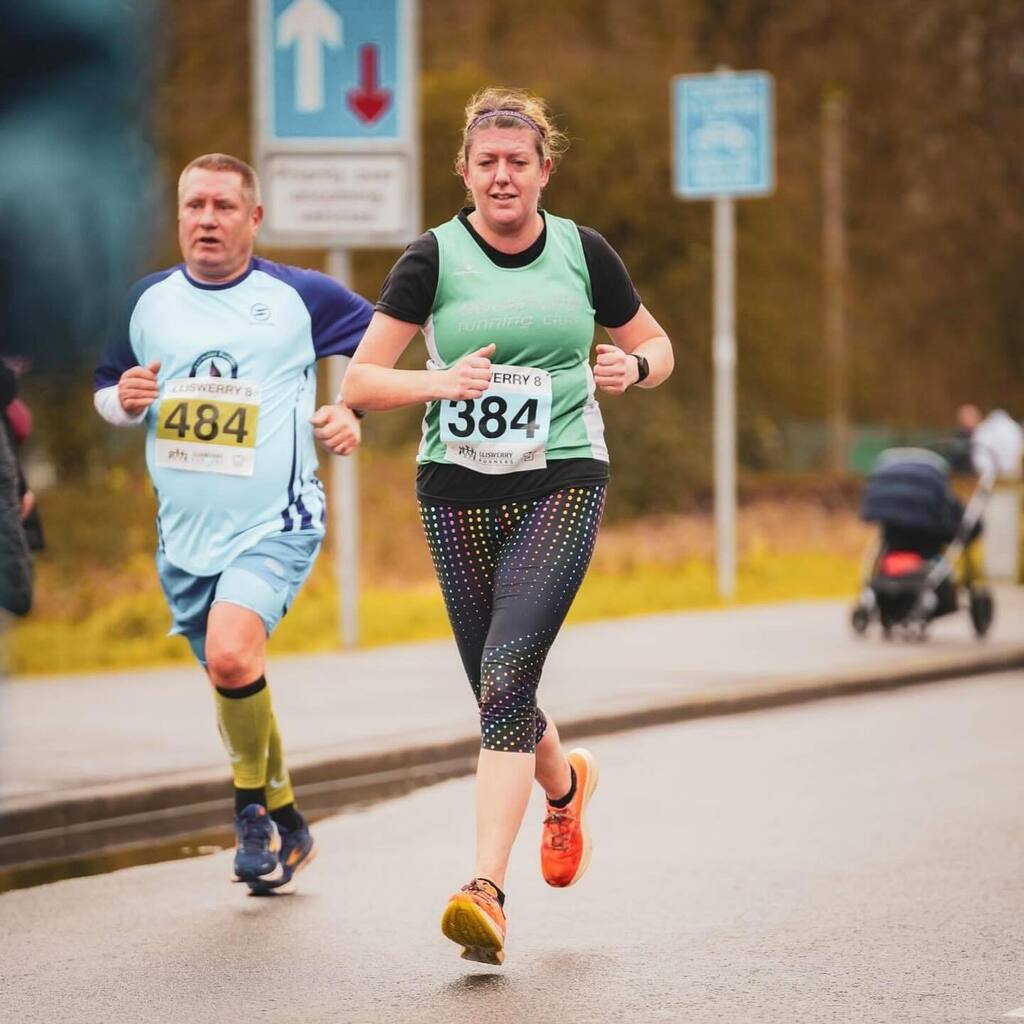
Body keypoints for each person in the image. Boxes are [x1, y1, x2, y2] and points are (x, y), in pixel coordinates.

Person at [343, 88, 674, 964]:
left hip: (562, 477)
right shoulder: (433, 258)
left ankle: (484, 888)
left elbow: (660, 345)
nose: (500, 176)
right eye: (485, 162)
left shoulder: (582, 252)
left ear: (542, 172)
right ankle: (566, 790)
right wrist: (437, 384)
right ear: (464, 171)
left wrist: (631, 367)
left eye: (516, 162)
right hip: (455, 490)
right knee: (499, 689)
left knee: (506, 674)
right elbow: (361, 384)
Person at [94, 153, 372, 894]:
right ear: (179, 215)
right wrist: (122, 398)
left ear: (253, 218)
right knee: (235, 673)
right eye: (194, 206)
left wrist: (350, 406)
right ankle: (291, 821)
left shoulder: (297, 296)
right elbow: (106, 392)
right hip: (182, 535)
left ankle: (248, 812)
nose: (206, 220)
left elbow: (382, 342)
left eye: (222, 206)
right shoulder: (146, 301)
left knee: (229, 658)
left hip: (275, 523)